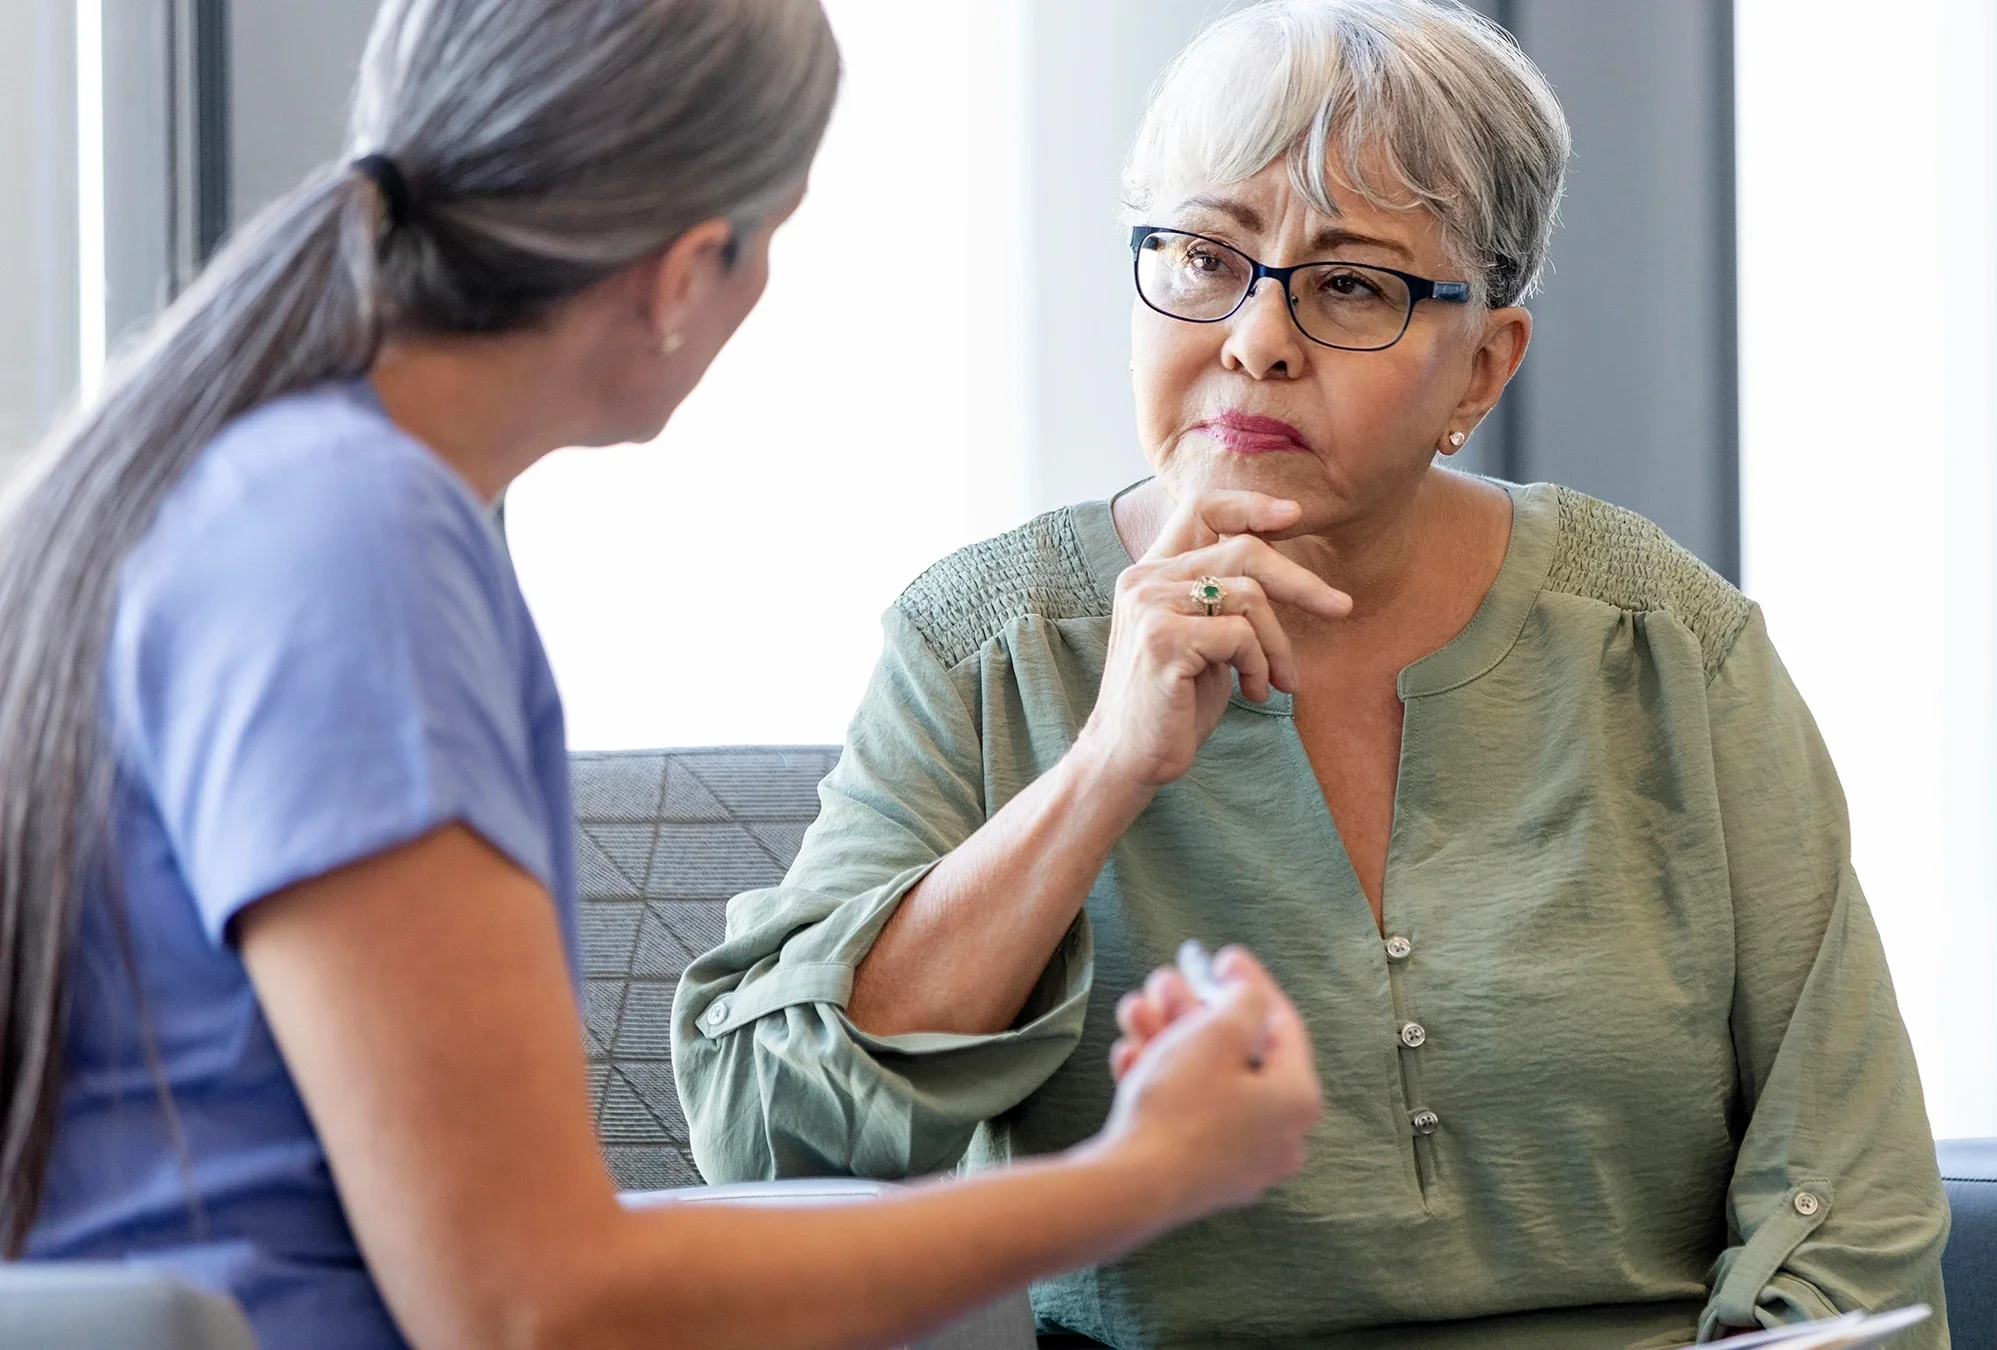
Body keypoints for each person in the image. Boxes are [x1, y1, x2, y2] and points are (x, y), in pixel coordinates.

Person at [0, 2, 1325, 1347]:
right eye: (778, 241)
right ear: (690, 269)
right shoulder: (358, 548)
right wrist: (1152, 1172)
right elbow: (536, 1302)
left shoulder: (272, 492)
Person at [674, 1, 1951, 1347]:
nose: (1255, 338)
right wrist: (1110, 759)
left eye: (1352, 284)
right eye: (1206, 256)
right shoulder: (982, 643)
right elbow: (767, 1137)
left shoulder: (1667, 644)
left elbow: (1851, 1193)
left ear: (1485, 361)